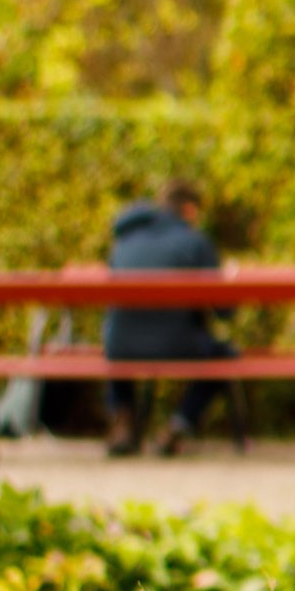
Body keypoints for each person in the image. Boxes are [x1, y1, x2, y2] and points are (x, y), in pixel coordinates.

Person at [103, 179, 233, 457]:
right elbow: (224, 310)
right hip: (179, 345)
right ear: (189, 210)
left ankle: (123, 421)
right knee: (224, 356)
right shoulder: (195, 242)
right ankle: (177, 425)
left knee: (118, 339)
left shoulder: (124, 241)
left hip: (120, 348)